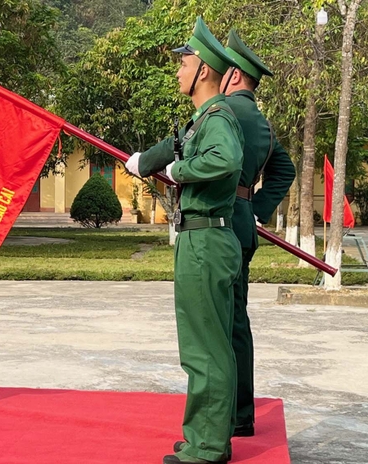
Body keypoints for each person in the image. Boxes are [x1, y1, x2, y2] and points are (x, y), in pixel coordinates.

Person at [125, 17, 244, 464]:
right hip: (203, 239)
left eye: (184, 63)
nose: (177, 71)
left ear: (204, 73)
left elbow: (225, 161)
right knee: (207, 344)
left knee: (204, 348)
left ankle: (208, 446)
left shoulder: (218, 119)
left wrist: (178, 172)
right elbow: (175, 148)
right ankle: (206, 435)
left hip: (206, 242)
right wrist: (149, 160)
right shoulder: (204, 120)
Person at [221, 29, 296, 438]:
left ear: (232, 75)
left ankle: (229, 415)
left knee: (221, 322)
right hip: (242, 220)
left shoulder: (224, 112)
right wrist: (256, 209)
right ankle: (242, 413)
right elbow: (284, 169)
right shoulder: (261, 122)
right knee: (236, 319)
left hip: (221, 222)